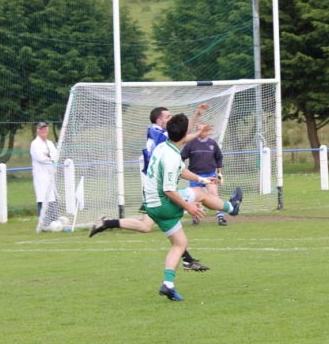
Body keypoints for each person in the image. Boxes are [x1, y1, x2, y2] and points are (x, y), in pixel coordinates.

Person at [89, 104, 212, 272]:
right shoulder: (157, 132)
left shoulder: (159, 132)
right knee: (168, 215)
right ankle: (187, 260)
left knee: (147, 226)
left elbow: (181, 134)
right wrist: (198, 132)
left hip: (155, 184)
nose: (170, 120)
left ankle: (107, 222)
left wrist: (197, 117)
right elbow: (181, 135)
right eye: (168, 117)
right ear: (159, 120)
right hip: (155, 187)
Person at [144, 113, 242, 301]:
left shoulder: (164, 146)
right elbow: (169, 190)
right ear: (184, 134)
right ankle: (231, 207)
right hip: (163, 202)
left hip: (150, 205)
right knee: (199, 194)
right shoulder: (172, 157)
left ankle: (168, 285)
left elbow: (182, 171)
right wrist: (189, 207)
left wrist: (202, 179)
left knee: (180, 244)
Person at [181, 124, 226, 226]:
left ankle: (220, 217)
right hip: (195, 176)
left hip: (210, 174)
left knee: (214, 193)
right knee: (196, 199)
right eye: (200, 130)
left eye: (204, 129)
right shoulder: (191, 144)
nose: (202, 131)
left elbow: (219, 157)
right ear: (197, 131)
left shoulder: (212, 143)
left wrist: (219, 173)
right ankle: (196, 218)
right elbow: (181, 157)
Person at [30, 122, 57, 222]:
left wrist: (48, 155)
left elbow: (56, 155)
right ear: (38, 130)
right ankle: (43, 222)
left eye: (45, 129)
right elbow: (40, 158)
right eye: (41, 129)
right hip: (40, 175)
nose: (43, 131)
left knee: (52, 197)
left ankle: (54, 220)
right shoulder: (35, 144)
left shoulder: (50, 143)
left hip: (50, 173)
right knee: (43, 197)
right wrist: (50, 157)